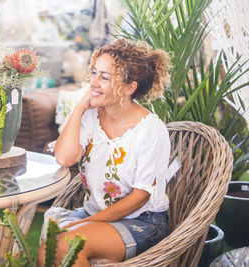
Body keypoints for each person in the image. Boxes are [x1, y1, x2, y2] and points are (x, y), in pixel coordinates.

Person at [37, 38, 172, 266]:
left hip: (142, 221)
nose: (94, 82)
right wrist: (79, 108)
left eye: (105, 77)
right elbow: (65, 158)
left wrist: (85, 224)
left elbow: (141, 196)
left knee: (64, 244)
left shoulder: (150, 129)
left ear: (130, 88)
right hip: (94, 214)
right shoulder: (91, 117)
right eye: (94, 72)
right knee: (46, 250)